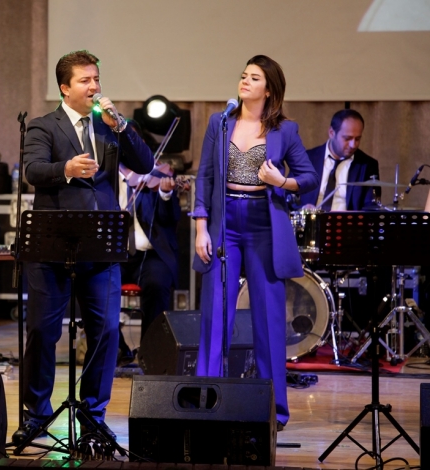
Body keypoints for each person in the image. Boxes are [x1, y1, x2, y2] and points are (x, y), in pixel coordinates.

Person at [13, 50, 153, 444]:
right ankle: (37, 414)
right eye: (85, 80)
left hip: (101, 244)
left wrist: (121, 125)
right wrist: (66, 169)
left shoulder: (109, 126)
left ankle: (93, 416)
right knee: (42, 331)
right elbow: (32, 170)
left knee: (106, 330)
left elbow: (144, 164)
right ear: (65, 87)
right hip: (52, 244)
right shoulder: (43, 126)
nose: (94, 87)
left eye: (96, 79)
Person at [192, 55, 319, 431]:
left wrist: (282, 181)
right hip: (224, 223)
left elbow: (308, 177)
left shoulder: (286, 130)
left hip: (264, 225)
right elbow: (204, 177)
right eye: (244, 75)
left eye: (255, 77)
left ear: (269, 89)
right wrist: (201, 227)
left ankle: (273, 411)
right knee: (216, 315)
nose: (245, 81)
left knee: (268, 320)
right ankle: (206, 401)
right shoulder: (219, 122)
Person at [118, 164, 180, 354]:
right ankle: (117, 349)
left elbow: (170, 218)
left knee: (157, 284)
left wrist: (165, 194)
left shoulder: (152, 174)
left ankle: (150, 353)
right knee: (95, 283)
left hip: (151, 255)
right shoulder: (107, 179)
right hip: (116, 255)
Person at [297, 109, 380, 211]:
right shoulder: (307, 159)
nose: (353, 145)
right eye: (347, 138)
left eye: (357, 139)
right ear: (331, 133)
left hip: (347, 221)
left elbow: (371, 207)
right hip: (312, 220)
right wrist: (302, 208)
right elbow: (288, 196)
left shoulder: (367, 165)